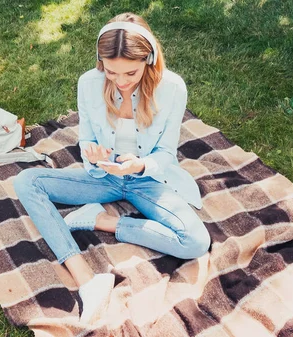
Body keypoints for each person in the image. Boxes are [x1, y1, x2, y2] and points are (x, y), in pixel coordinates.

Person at [13, 12, 210, 324]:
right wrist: (92, 155)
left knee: (196, 242)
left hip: (148, 181)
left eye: (130, 72)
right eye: (111, 72)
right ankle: (86, 280)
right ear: (100, 61)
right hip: (103, 178)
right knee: (27, 181)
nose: (120, 80)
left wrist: (141, 164)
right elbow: (87, 140)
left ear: (150, 58)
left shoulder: (173, 88)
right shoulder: (89, 84)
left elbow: (166, 154)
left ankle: (99, 220)